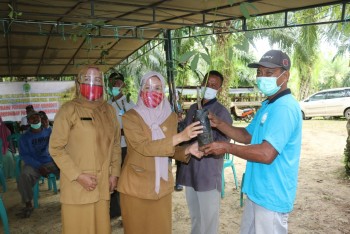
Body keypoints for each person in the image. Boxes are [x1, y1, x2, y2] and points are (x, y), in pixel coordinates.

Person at [201, 50, 303, 234]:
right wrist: (219, 124)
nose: (262, 77)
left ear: (285, 76)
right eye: (259, 73)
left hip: (272, 195)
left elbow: (266, 153)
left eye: (269, 73)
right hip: (257, 191)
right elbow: (248, 135)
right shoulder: (268, 105)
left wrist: (226, 147)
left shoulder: (285, 107)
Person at [117, 71, 204, 234]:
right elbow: (144, 147)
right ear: (141, 90)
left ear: (163, 90)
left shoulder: (170, 117)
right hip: (136, 187)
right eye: (148, 87)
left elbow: (169, 150)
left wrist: (187, 149)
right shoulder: (130, 117)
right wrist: (180, 137)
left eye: (157, 88)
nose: (153, 92)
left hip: (161, 188)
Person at [49, 66, 122, 233]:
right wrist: (78, 176)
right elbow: (56, 148)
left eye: (97, 80)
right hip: (77, 186)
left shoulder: (108, 110)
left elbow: (116, 144)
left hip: (103, 185)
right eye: (88, 79)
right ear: (78, 83)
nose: (93, 83)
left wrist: (115, 173)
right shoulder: (68, 110)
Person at [177, 70, 233, 234]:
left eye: (214, 85)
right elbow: (185, 136)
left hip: (208, 172)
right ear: (201, 85)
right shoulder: (194, 108)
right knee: (195, 218)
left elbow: (222, 144)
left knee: (209, 221)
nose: (210, 87)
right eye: (207, 84)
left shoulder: (221, 113)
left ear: (220, 89)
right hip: (191, 171)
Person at [17, 110, 59, 218]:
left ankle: (69, 197)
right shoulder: (24, 138)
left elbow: (58, 141)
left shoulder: (49, 131)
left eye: (37, 117)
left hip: (50, 161)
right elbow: (25, 156)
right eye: (32, 118)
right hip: (34, 164)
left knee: (67, 170)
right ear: (28, 121)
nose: (35, 119)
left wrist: (49, 127)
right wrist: (39, 166)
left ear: (41, 119)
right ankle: (28, 204)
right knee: (23, 176)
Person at [107, 72, 135, 219]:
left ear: (123, 84)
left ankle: (127, 213)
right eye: (112, 83)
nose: (115, 85)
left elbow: (135, 126)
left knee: (124, 179)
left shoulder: (129, 103)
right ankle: (115, 211)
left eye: (117, 82)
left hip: (125, 147)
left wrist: (119, 133)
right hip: (110, 148)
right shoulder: (106, 104)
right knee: (112, 177)